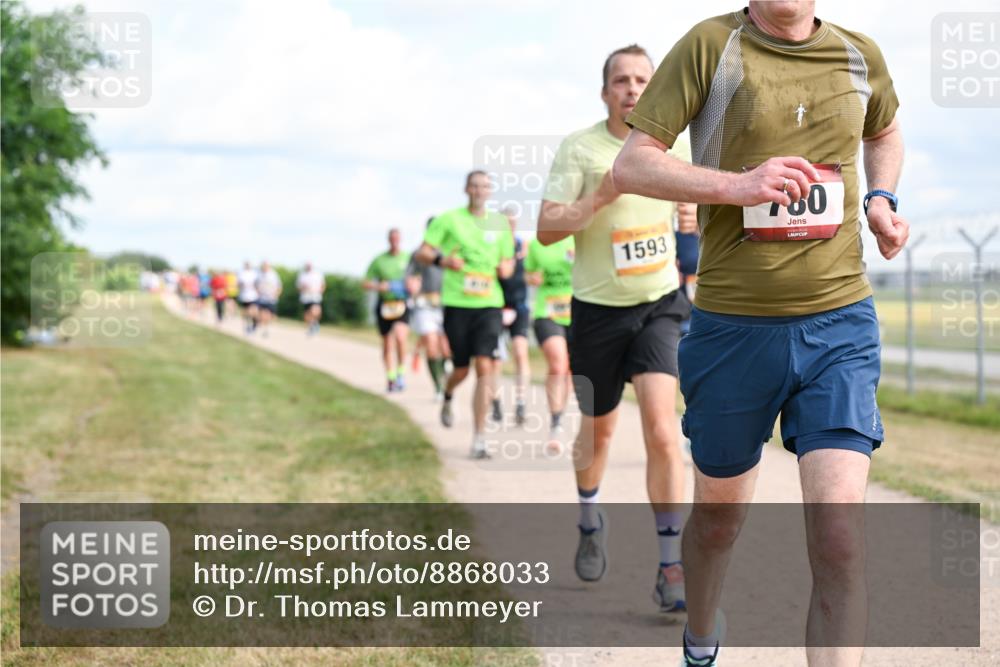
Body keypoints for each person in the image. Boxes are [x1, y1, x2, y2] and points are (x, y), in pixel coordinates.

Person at [612, 3, 909, 665]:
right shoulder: (711, 46)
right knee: (719, 520)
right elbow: (632, 166)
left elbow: (885, 130)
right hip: (732, 331)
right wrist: (739, 185)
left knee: (839, 536)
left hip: (839, 324)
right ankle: (700, 638)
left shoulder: (859, 54)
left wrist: (881, 199)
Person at [537, 44, 696, 611]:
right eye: (621, 80)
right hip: (597, 310)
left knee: (662, 429)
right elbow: (547, 228)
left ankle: (671, 565)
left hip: (660, 304)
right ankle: (588, 517)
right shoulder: (580, 148)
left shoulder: (673, 145)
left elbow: (703, 214)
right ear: (605, 92)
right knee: (598, 433)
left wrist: (694, 217)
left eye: (642, 80)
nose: (632, 89)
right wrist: (602, 194)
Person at [415, 171, 515, 458]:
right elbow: (423, 253)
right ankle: (448, 394)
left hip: (489, 305)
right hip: (458, 304)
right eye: (475, 186)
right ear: (466, 189)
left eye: (485, 186)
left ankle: (480, 438)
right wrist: (442, 260)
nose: (479, 190)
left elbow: (508, 262)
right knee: (461, 369)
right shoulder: (449, 220)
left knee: (485, 365)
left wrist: (506, 269)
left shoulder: (499, 224)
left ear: (490, 191)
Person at [523, 233, 575, 455]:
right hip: (547, 312)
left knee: (569, 370)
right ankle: (555, 422)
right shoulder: (537, 244)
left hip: (576, 312)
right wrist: (531, 278)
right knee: (558, 365)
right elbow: (528, 273)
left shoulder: (578, 238)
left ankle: (559, 418)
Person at [407, 217, 453, 400]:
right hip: (425, 305)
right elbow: (410, 276)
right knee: (431, 346)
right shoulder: (418, 254)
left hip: (447, 305)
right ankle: (438, 387)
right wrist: (412, 285)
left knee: (447, 348)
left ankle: (447, 370)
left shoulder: (450, 252)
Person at [493, 207, 531, 425]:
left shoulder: (523, 246)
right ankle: (496, 400)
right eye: (506, 223)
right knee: (496, 358)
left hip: (520, 307)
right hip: (496, 307)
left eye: (513, 222)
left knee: (520, 352)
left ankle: (521, 402)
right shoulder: (494, 246)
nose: (510, 226)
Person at [363, 229, 412, 392]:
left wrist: (413, 285)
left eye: (397, 239)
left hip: (402, 303)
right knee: (387, 344)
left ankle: (401, 374)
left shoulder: (408, 258)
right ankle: (390, 378)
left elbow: (417, 278)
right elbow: (365, 283)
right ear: (388, 240)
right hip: (385, 304)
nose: (395, 242)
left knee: (400, 337)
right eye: (392, 239)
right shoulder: (379, 260)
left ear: (401, 239)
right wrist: (379, 286)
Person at [296, 262, 326, 336]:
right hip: (306, 297)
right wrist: (303, 288)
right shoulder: (302, 275)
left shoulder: (318, 274)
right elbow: (298, 287)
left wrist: (320, 291)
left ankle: (315, 323)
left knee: (315, 310)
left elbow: (323, 285)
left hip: (315, 296)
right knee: (306, 315)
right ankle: (311, 326)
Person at [255, 261, 282, 338]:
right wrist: (258, 292)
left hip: (272, 298)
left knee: (272, 316)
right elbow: (256, 285)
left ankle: (265, 326)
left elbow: (279, 286)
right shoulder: (259, 274)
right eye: (263, 266)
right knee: (263, 314)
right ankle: (265, 329)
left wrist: (276, 295)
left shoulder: (274, 275)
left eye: (266, 266)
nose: (264, 267)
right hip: (262, 298)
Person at [236, 261, 260, 334]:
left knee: (253, 311)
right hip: (244, 296)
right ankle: (248, 325)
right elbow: (238, 284)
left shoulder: (254, 273)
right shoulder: (241, 274)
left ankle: (255, 323)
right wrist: (242, 286)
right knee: (247, 312)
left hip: (253, 296)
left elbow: (258, 283)